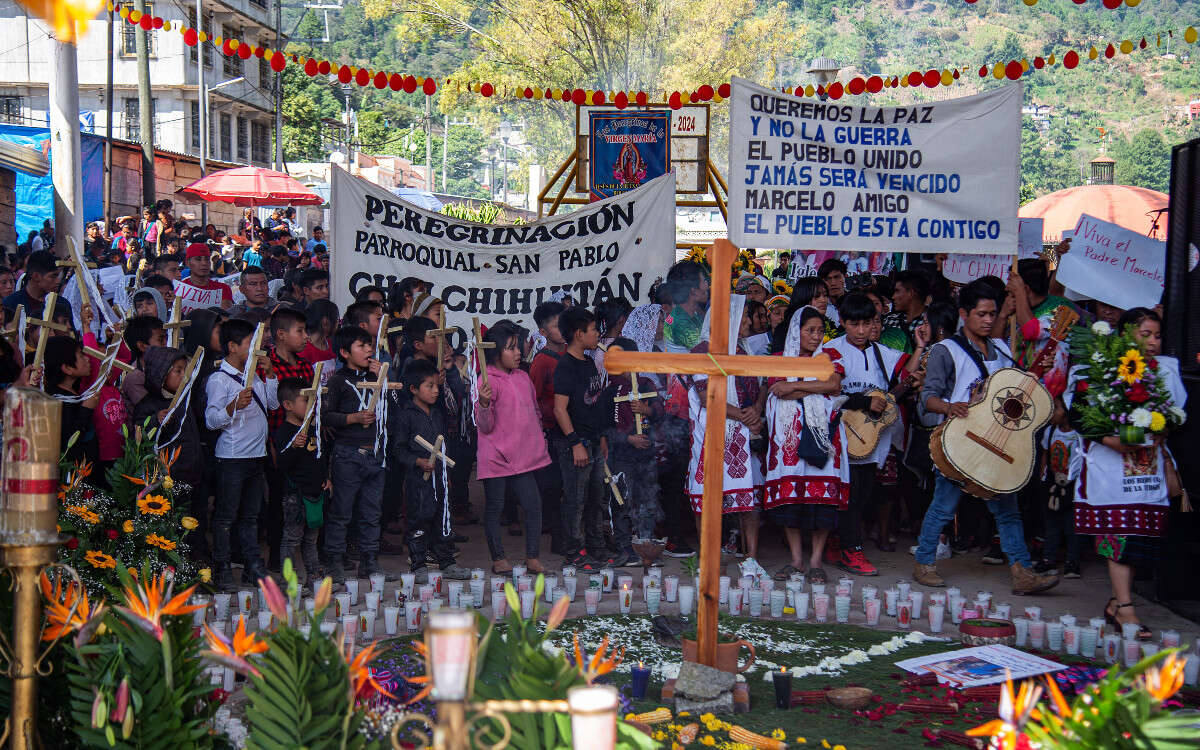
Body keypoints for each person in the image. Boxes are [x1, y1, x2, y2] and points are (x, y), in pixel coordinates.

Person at [912, 280, 1059, 595]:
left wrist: (1036, 375)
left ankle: (1022, 572)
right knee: (943, 505)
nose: (989, 320)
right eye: (982, 314)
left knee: (1007, 509)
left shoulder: (1004, 350)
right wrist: (951, 406)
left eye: (993, 313)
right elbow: (927, 398)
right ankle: (924, 562)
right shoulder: (945, 350)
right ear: (965, 314)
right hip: (960, 442)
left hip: (997, 444)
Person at [1071, 307, 1181, 638]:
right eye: (1144, 335)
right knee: (1117, 535)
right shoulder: (1098, 368)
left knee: (1133, 538)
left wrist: (1165, 425)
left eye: (1157, 336)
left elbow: (1174, 414)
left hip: (1145, 471)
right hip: (1111, 467)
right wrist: (1109, 439)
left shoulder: (1164, 372)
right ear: (1124, 335)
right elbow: (1078, 416)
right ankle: (1127, 608)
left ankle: (1118, 603)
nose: (1152, 342)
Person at [821, 293, 915, 576]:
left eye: (866, 324)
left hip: (871, 438)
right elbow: (827, 394)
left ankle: (839, 543)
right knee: (848, 495)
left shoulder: (881, 354)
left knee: (860, 496)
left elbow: (906, 372)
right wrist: (861, 402)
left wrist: (921, 347)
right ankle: (852, 550)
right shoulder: (830, 350)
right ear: (842, 322)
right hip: (842, 437)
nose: (861, 331)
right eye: (854, 324)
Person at [764, 306, 848, 583]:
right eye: (809, 330)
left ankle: (816, 561)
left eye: (820, 331)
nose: (815, 336)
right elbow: (778, 391)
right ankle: (797, 560)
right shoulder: (779, 359)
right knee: (790, 499)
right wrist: (814, 384)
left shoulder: (830, 356)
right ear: (795, 331)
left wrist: (796, 387)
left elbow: (834, 384)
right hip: (788, 438)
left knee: (821, 499)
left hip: (822, 435)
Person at [204, 318, 279, 590]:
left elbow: (272, 404)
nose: (257, 349)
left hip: (255, 456)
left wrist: (270, 376)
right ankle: (222, 566)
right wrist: (233, 406)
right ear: (232, 347)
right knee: (225, 516)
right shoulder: (219, 380)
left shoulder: (256, 374)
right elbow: (211, 420)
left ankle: (252, 566)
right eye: (251, 344)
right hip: (232, 457)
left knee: (250, 516)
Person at [686, 295, 764, 560]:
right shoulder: (701, 352)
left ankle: (751, 558)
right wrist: (745, 416)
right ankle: (709, 557)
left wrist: (756, 411)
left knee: (748, 500)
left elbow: (761, 385)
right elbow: (707, 395)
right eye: (743, 316)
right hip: (713, 435)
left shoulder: (745, 351)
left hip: (744, 433)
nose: (749, 322)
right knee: (707, 499)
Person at [475, 321, 552, 574]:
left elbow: (534, 413)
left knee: (534, 504)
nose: (518, 352)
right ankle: (498, 559)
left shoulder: (522, 377)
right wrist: (484, 404)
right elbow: (484, 426)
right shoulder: (486, 381)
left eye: (517, 347)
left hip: (524, 455)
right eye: (511, 348)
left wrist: (540, 439)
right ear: (496, 352)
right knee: (495, 507)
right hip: (496, 455)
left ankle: (532, 558)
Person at [553, 306, 621, 568]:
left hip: (593, 441)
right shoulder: (565, 367)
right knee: (575, 499)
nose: (597, 335)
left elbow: (594, 404)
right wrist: (575, 444)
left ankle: (597, 547)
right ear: (579, 334)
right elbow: (560, 409)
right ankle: (574, 552)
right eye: (593, 330)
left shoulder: (590, 361)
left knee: (597, 496)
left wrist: (601, 436)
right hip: (575, 444)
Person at [393, 357, 471, 580]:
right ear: (414, 389)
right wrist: (417, 462)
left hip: (440, 476)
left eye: (437, 385)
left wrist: (446, 474)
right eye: (430, 386)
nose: (436, 391)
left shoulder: (437, 413)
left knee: (442, 517)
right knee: (418, 518)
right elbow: (398, 449)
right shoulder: (406, 415)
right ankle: (418, 564)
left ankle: (447, 561)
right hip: (418, 479)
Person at [322, 325, 388, 582]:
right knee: (342, 511)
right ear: (344, 352)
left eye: (369, 345)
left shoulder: (377, 377)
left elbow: (390, 407)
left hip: (375, 452)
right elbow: (326, 415)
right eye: (361, 346)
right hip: (348, 453)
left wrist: (379, 378)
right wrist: (353, 417)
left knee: (372, 511)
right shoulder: (338, 381)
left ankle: (369, 560)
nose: (369, 349)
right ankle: (334, 562)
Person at [605, 336, 660, 554]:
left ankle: (646, 542)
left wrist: (646, 411)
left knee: (648, 498)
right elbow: (605, 427)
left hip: (646, 454)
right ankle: (624, 545)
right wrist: (628, 438)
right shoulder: (610, 391)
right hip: (622, 456)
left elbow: (660, 413)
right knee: (622, 500)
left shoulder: (646, 385)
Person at [273, 377, 328, 589]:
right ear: (287, 405)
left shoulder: (315, 428)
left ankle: (314, 576)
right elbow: (283, 464)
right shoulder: (285, 432)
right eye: (306, 400)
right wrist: (294, 447)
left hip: (315, 492)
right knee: (292, 538)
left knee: (311, 538)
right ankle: (289, 580)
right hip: (295, 496)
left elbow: (321, 456)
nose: (311, 405)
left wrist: (326, 478)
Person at [530, 301, 567, 554]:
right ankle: (557, 536)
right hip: (552, 431)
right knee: (553, 486)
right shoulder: (542, 361)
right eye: (556, 326)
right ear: (543, 333)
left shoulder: (574, 355)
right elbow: (533, 398)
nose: (562, 329)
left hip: (572, 429)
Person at [42, 335, 100, 464]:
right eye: (81, 356)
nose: (87, 359)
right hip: (75, 474)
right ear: (67, 368)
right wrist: (86, 409)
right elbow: (68, 441)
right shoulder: (57, 401)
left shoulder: (75, 391)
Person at [3, 251, 72, 321]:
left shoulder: (62, 304)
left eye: (58, 276)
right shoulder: (10, 304)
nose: (58, 281)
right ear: (36, 276)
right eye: (53, 276)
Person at [119, 315, 167, 412]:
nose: (166, 343)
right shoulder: (134, 378)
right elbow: (153, 410)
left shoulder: (164, 366)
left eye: (166, 338)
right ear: (142, 346)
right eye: (161, 340)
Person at [662, 261, 709, 353]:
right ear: (693, 290)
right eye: (704, 281)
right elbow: (708, 354)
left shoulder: (690, 314)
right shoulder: (680, 323)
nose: (707, 286)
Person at [881, 270, 929, 353]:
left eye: (897, 291)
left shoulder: (930, 322)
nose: (893, 296)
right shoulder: (889, 320)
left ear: (911, 293)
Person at [178, 243, 234, 311]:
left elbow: (226, 316)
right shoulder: (180, 290)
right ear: (187, 263)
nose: (204, 263)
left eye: (207, 259)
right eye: (198, 259)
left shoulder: (223, 289)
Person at [299, 300, 339, 381]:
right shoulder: (304, 350)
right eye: (336, 319)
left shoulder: (331, 344)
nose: (338, 323)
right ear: (325, 321)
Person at [817, 258, 848, 326]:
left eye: (837, 277)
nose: (833, 283)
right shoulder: (818, 306)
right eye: (827, 279)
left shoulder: (855, 301)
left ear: (845, 277)